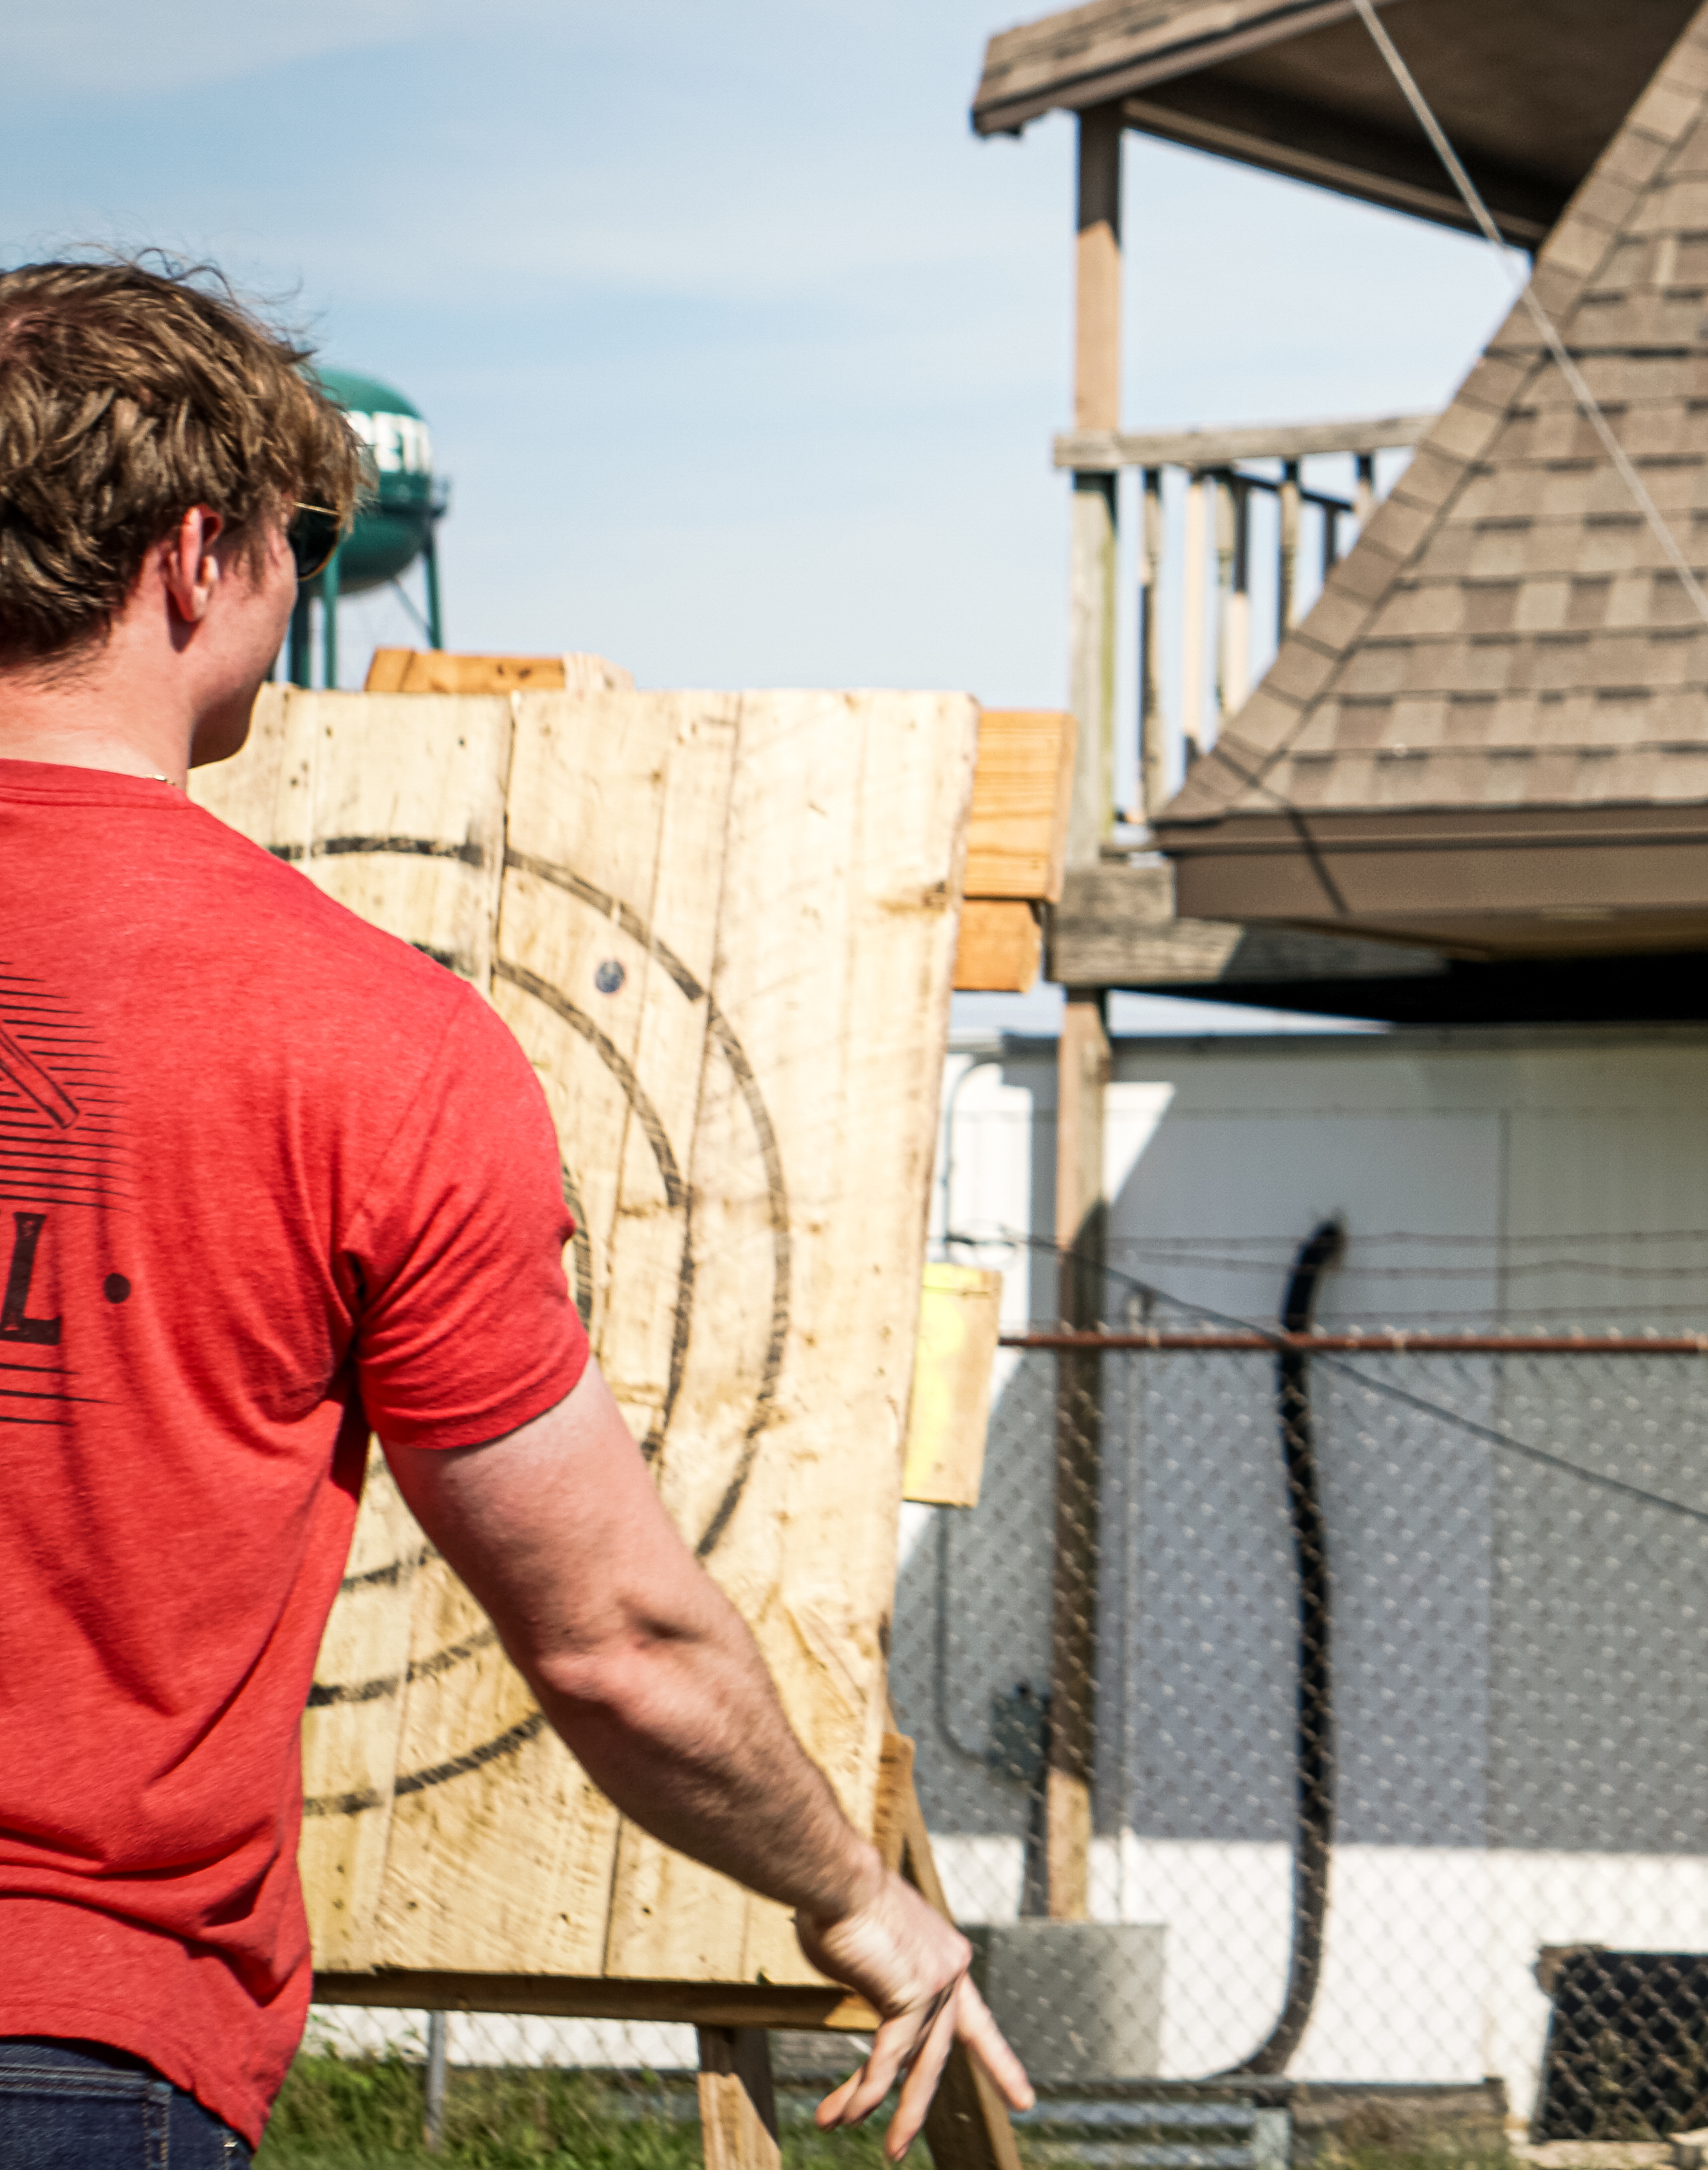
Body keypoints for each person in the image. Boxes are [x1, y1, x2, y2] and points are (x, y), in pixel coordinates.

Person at [0, 257, 1030, 2164]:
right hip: (66, 2035)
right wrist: (849, 1894)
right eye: (302, 537)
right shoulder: (364, 1039)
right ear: (194, 558)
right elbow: (617, 1641)